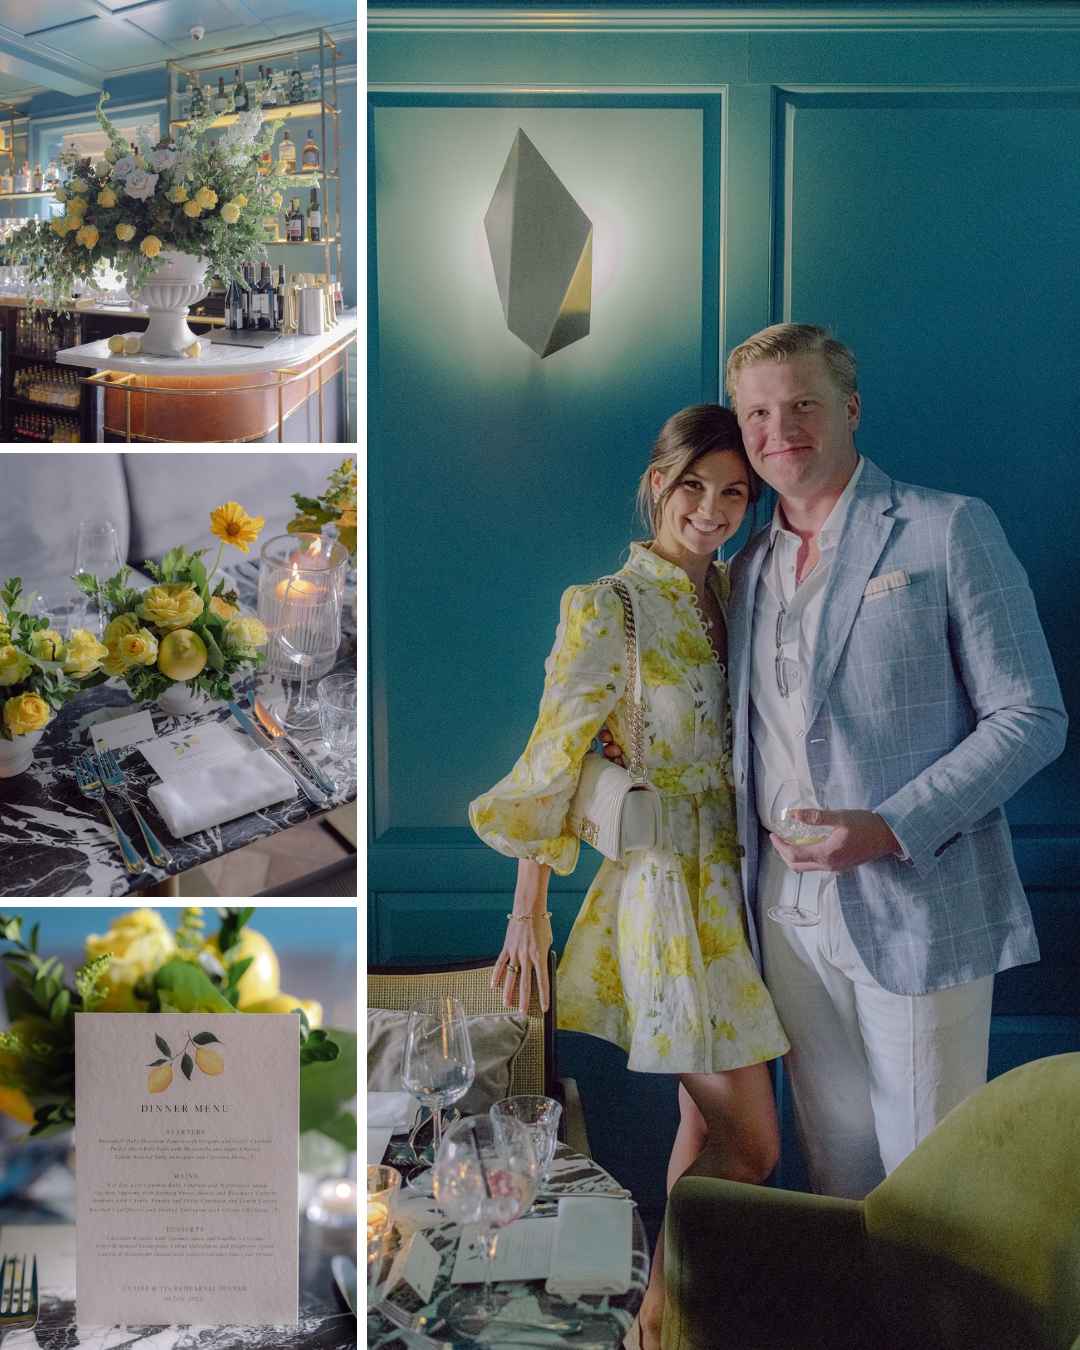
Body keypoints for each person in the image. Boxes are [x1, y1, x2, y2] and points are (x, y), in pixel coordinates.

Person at [719, 323, 1068, 1200]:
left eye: (802, 402)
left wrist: (886, 828)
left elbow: (1032, 716)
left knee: (932, 1175)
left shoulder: (948, 528)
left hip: (918, 895)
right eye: (758, 410)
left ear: (851, 408)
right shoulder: (745, 564)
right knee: (835, 1162)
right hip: (783, 910)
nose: (779, 427)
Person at [469, 405, 790, 1349]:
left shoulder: (737, 594)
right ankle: (653, 1318)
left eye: (735, 492)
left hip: (740, 886)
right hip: (664, 897)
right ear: (659, 481)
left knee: (702, 1128)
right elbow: (552, 758)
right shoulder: (606, 605)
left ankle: (680, 1322)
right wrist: (528, 910)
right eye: (695, 486)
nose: (714, 509)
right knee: (756, 1147)